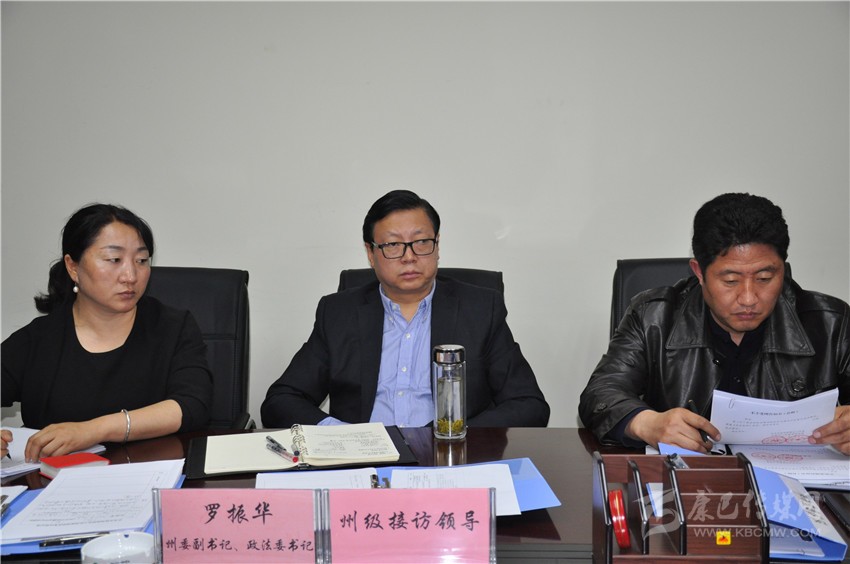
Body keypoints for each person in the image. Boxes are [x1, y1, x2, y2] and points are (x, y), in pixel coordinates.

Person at [579, 193, 850, 454]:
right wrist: (646, 423)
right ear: (699, 272)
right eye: (730, 281)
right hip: (689, 478)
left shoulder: (830, 324)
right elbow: (600, 393)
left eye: (764, 278)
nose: (748, 298)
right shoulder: (654, 317)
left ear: (782, 269)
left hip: (796, 479)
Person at [262, 189, 549, 428]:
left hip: (449, 460)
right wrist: (339, 436)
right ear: (371, 253)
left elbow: (529, 405)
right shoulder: (339, 313)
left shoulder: (480, 309)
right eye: (393, 245)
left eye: (421, 242)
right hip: (363, 464)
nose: (409, 257)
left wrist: (451, 434)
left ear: (437, 245)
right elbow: (281, 401)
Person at [1, 203, 212, 462]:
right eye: (114, 260)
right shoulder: (38, 340)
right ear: (73, 267)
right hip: (53, 482)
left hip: (150, 476)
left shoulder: (172, 327)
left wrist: (93, 430)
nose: (130, 276)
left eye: (141, 261)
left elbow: (192, 405)